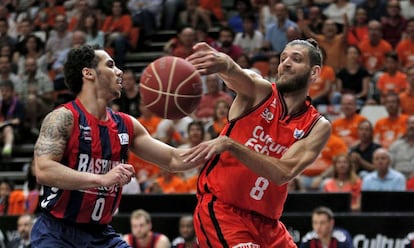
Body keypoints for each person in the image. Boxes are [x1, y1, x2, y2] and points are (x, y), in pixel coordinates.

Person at [30, 45, 205, 247]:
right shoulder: (63, 118)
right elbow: (43, 170)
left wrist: (221, 149)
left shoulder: (126, 125)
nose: (119, 72)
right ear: (88, 73)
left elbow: (173, 159)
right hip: (57, 231)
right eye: (111, 65)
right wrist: (102, 179)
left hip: (101, 234)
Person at [185, 39, 331, 247]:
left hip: (269, 225)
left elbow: (283, 172)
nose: (286, 64)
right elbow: (238, 75)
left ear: (314, 72)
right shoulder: (260, 93)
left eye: (296, 59)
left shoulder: (317, 126)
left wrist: (231, 145)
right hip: (223, 211)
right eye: (283, 58)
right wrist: (224, 64)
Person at [0, 80, 25, 157]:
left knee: (8, 129)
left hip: (15, 132)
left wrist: (4, 123)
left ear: (12, 92)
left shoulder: (18, 104)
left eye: (7, 91)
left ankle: (7, 150)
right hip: (1, 131)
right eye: (2, 91)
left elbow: (17, 121)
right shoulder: (0, 104)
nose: (4, 93)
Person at [388, 115, 414, 179]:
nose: (411, 126)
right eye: (409, 124)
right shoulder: (396, 145)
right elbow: (388, 165)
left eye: (413, 123)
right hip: (397, 179)